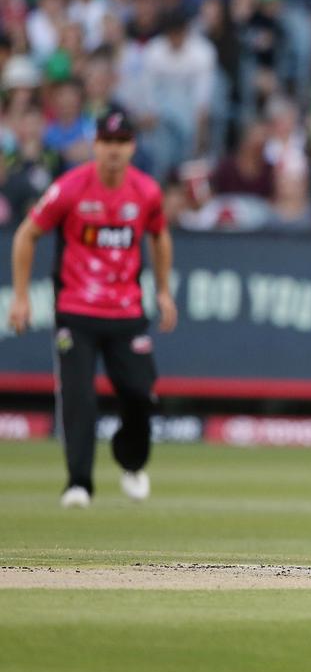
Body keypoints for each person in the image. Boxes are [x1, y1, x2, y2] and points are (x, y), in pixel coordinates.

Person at [8, 108, 178, 508]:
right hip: (76, 310)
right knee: (79, 396)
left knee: (140, 394)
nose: (114, 151)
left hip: (126, 311)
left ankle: (131, 461)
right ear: (95, 145)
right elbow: (26, 234)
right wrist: (19, 296)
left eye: (122, 143)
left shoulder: (146, 192)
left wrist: (165, 291)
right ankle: (78, 483)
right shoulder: (70, 188)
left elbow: (160, 236)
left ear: (132, 147)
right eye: (107, 143)